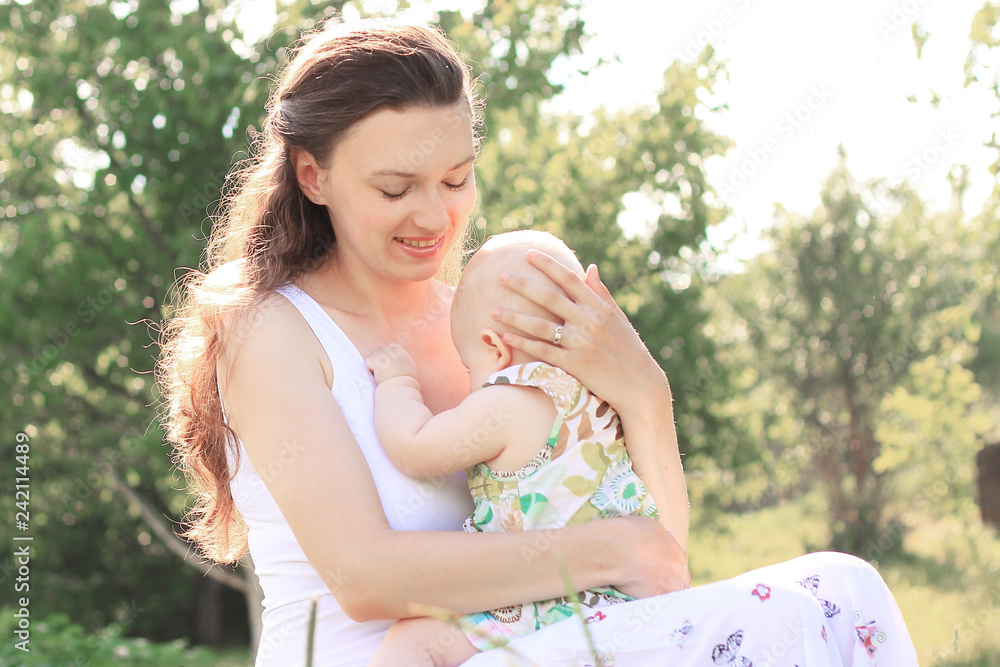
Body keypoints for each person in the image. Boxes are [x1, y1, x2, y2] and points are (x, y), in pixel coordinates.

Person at [156, 18, 919, 667]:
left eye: (456, 179)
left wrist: (645, 396)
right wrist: (612, 551)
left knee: (841, 587)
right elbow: (365, 575)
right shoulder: (271, 329)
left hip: (531, 642)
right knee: (779, 618)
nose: (434, 215)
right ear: (313, 176)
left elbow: (657, 563)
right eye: (395, 188)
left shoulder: (489, 322)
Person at [365, 230, 686, 666]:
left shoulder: (507, 401)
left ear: (494, 348)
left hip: (549, 602)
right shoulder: (604, 402)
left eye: (468, 366)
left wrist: (397, 380)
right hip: (621, 605)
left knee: (416, 639)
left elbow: (414, 448)